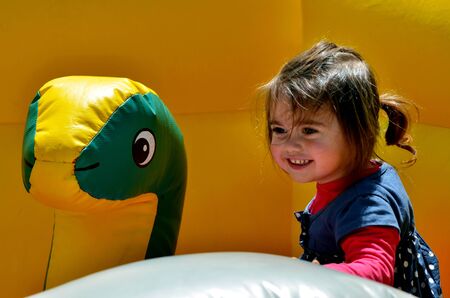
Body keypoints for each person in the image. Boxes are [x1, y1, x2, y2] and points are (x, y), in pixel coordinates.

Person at [262, 41, 442, 297]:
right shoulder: (351, 175)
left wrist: (311, 275)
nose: (290, 145)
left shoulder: (367, 203)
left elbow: (376, 271)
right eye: (279, 130)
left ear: (357, 131)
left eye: (309, 131)